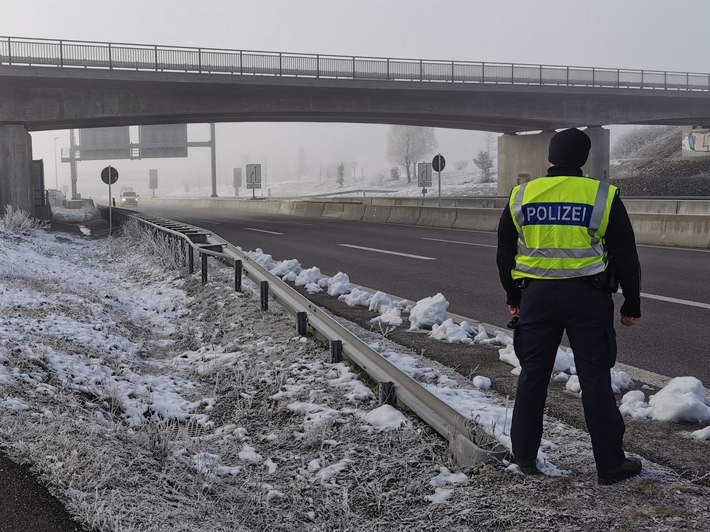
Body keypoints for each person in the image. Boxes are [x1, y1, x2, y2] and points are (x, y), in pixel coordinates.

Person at [496, 128, 643, 485]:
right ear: (585, 158)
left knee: (533, 377)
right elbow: (626, 254)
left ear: (550, 156)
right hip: (588, 298)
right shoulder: (601, 195)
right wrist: (632, 304)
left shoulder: (522, 195)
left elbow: (505, 253)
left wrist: (514, 297)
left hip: (537, 298)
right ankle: (610, 465)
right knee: (594, 379)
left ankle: (525, 457)